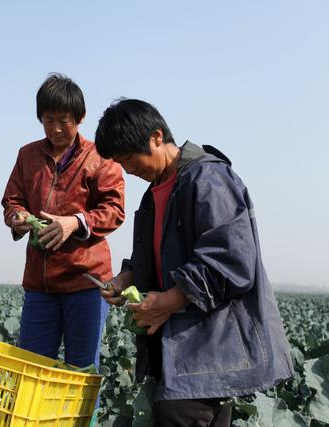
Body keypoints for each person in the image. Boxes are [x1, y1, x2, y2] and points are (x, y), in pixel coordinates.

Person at [94, 98, 294, 426]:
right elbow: (153, 256)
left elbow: (231, 260)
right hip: (175, 354)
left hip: (207, 351)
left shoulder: (208, 179)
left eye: (130, 158)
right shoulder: (153, 193)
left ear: (156, 137)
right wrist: (126, 278)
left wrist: (171, 300)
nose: (129, 170)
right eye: (121, 163)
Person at [1, 73, 125, 382]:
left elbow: (114, 209)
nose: (56, 129)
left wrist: (75, 223)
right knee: (31, 373)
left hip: (86, 282)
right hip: (40, 285)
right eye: (48, 120)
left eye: (64, 121)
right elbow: (12, 199)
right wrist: (17, 217)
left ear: (80, 118)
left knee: (81, 375)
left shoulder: (100, 157)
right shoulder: (27, 155)